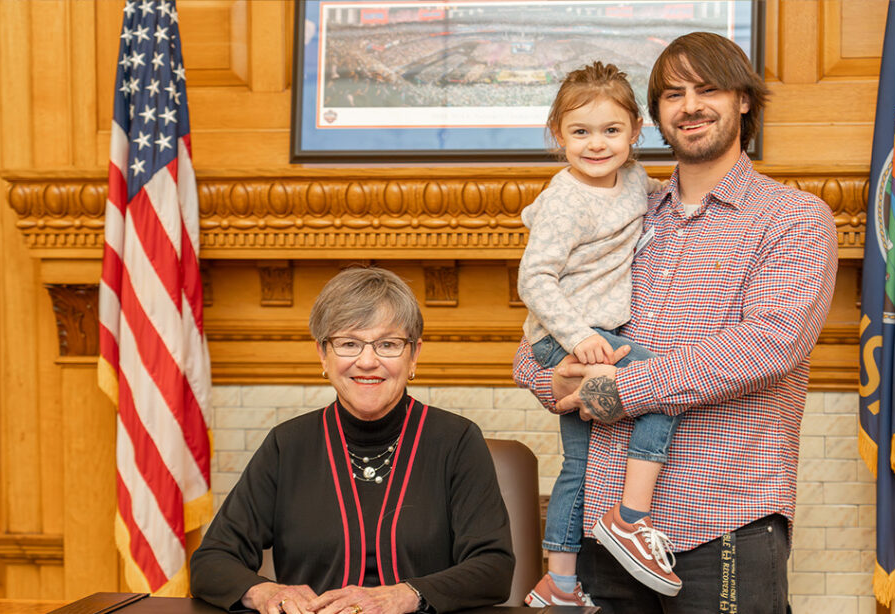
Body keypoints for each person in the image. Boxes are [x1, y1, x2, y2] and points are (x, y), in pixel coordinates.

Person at [514, 32, 838, 613]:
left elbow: (762, 350)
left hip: (721, 520)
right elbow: (542, 333)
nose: (690, 105)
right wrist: (549, 379)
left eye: (708, 89)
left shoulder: (793, 219)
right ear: (654, 117)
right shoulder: (624, 209)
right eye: (672, 94)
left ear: (743, 100)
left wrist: (616, 389)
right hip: (597, 530)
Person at [191, 267, 515, 614]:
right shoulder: (287, 445)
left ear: (414, 355)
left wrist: (404, 595)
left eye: (388, 344)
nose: (367, 361)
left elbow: (493, 567)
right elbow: (211, 561)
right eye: (349, 344)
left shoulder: (456, 441)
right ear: (322, 354)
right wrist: (267, 593)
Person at [517, 61, 681, 607]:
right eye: (579, 132)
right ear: (556, 135)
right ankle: (630, 517)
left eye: (611, 130)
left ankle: (559, 580)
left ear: (636, 132)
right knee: (665, 386)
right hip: (568, 335)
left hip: (594, 332)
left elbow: (659, 200)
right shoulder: (565, 202)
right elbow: (534, 278)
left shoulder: (635, 179)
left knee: (579, 463)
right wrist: (576, 337)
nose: (595, 144)